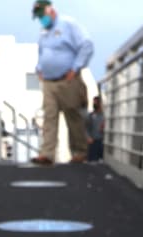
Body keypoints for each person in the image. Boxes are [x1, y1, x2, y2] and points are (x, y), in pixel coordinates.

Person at [30, 1, 93, 165]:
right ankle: (47, 153)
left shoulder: (68, 25)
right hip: (49, 82)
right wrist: (39, 69)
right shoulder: (43, 33)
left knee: (73, 116)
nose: (41, 20)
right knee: (49, 117)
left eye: (42, 16)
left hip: (68, 79)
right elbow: (42, 52)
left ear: (50, 10)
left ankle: (79, 152)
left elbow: (86, 45)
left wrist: (76, 67)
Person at [85, 95, 105, 162]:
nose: (95, 104)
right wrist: (88, 137)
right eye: (94, 102)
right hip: (93, 142)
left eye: (96, 102)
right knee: (92, 161)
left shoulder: (104, 115)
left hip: (102, 142)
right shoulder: (90, 115)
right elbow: (86, 128)